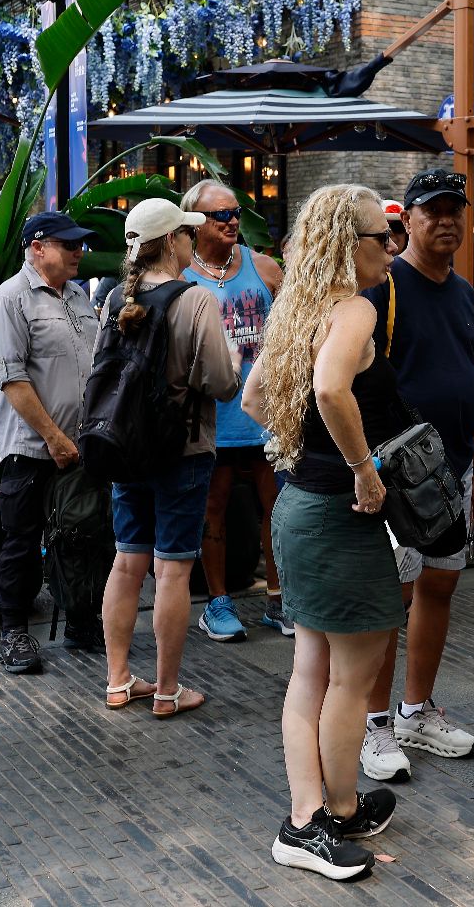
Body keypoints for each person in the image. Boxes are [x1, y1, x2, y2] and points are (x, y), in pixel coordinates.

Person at [241, 184, 403, 881]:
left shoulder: (298, 307)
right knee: (351, 680)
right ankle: (328, 814)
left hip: (301, 506)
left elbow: (254, 397)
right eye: (381, 237)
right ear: (347, 242)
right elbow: (333, 389)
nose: (391, 248)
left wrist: (298, 448)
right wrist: (362, 470)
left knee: (312, 671)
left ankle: (314, 813)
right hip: (341, 514)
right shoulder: (354, 309)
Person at [359, 167, 474, 785]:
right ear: (407, 220)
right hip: (400, 479)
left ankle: (415, 711)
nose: (445, 220)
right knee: (390, 598)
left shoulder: (465, 293)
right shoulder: (382, 289)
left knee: (440, 587)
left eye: (454, 210)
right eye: (432, 210)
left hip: (455, 472)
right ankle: (373, 723)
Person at [101, 198, 238, 717]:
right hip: (184, 449)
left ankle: (118, 681)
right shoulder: (195, 299)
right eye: (186, 233)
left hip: (125, 448)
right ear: (171, 242)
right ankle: (166, 690)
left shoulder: (116, 298)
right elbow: (221, 383)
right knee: (173, 571)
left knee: (126, 562)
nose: (191, 240)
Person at [0, 210, 100, 674]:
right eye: (68, 244)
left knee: (81, 534)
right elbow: (12, 378)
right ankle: (13, 632)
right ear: (37, 248)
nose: (79, 252)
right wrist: (52, 436)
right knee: (22, 540)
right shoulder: (11, 298)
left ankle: (81, 621)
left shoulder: (78, 295)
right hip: (31, 448)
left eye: (79, 244)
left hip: (80, 445)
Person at [180, 180, 290, 641]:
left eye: (235, 212)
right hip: (212, 416)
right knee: (214, 507)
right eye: (220, 214)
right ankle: (217, 602)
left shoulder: (263, 267)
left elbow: (293, 329)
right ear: (195, 223)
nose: (231, 221)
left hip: (264, 415)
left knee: (277, 507)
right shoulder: (181, 274)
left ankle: (279, 599)